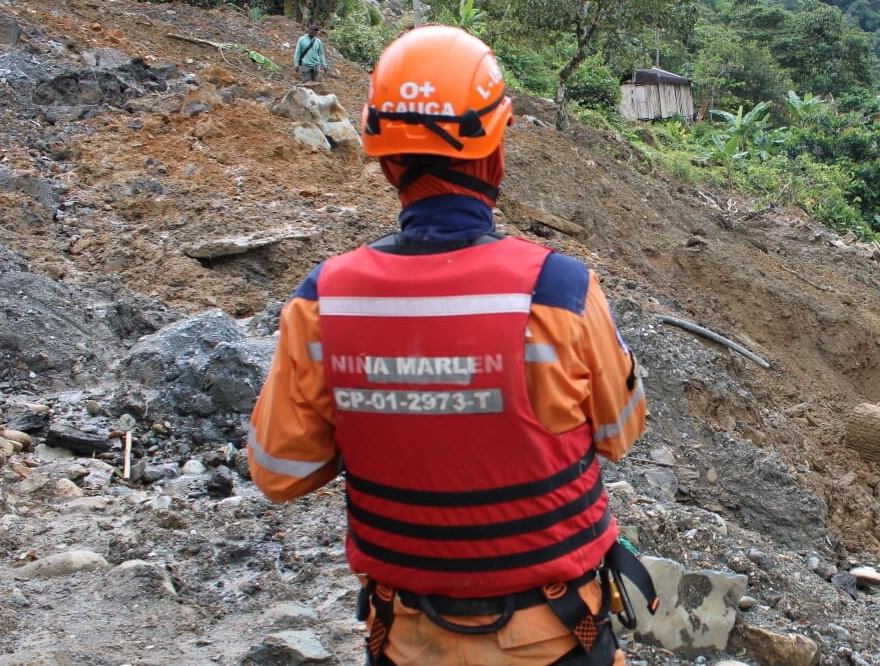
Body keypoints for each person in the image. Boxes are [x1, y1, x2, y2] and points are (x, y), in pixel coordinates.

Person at [249, 26, 657, 666]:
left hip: (407, 637)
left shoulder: (323, 301)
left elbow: (280, 472)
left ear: (385, 163)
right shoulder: (560, 290)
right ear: (494, 156)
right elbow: (621, 431)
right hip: (557, 633)